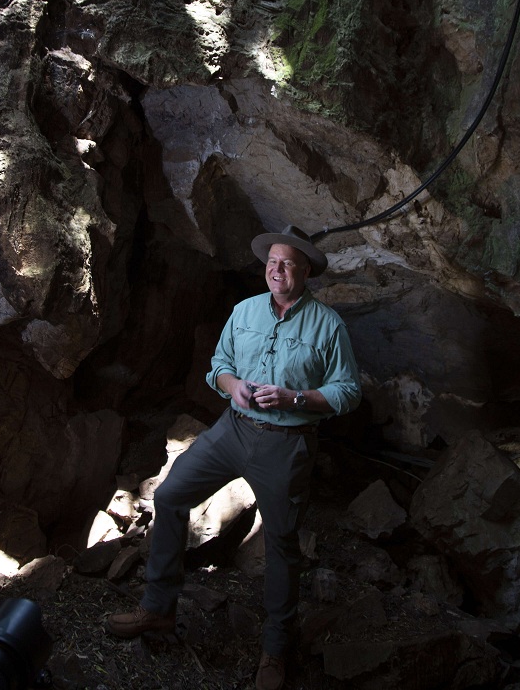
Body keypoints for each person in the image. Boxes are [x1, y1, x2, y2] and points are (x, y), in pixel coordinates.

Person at [106, 225, 361, 690]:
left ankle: (275, 649)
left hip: (287, 445)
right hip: (232, 430)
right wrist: (233, 386)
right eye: (271, 262)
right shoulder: (244, 311)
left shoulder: (327, 325)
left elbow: (347, 392)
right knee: (172, 495)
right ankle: (159, 609)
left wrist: (295, 399)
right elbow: (218, 366)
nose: (276, 270)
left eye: (287, 264)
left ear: (305, 271)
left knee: (282, 547)